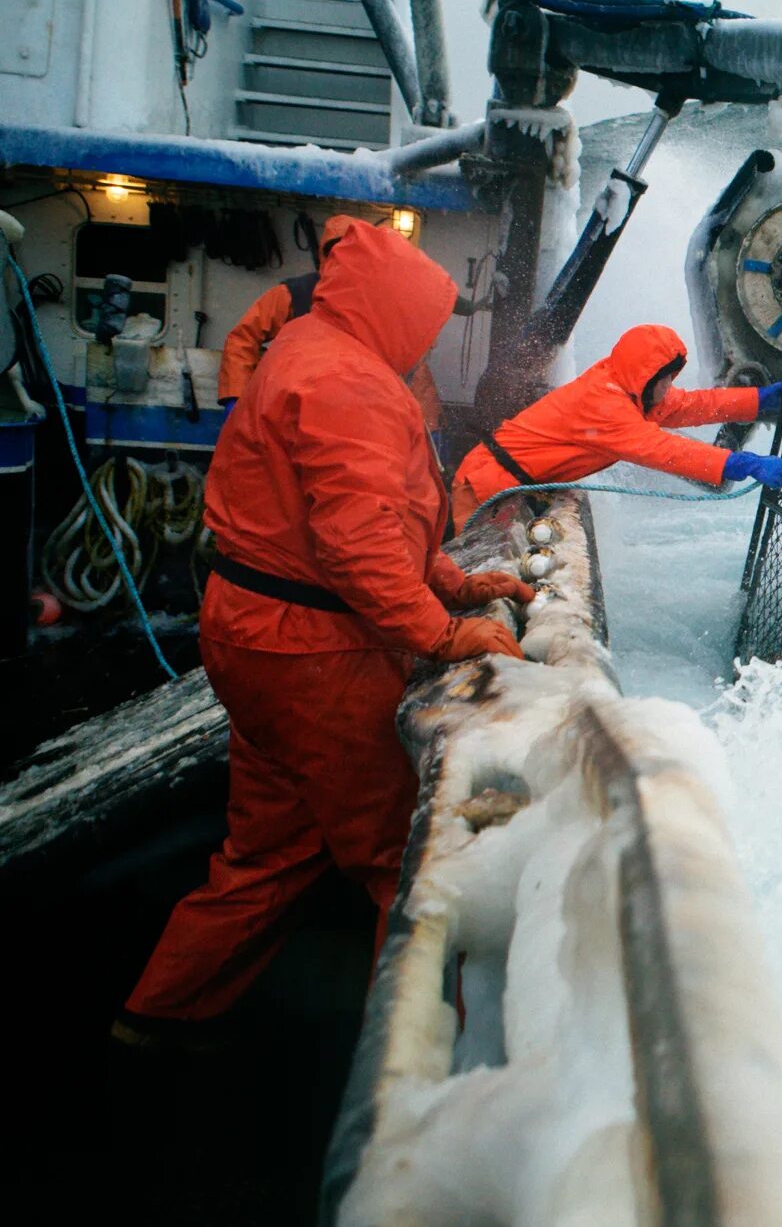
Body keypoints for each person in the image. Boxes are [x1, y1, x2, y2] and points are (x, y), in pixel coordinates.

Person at [114, 221, 532, 1045]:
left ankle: (151, 1019)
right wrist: (446, 634)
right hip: (314, 657)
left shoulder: (308, 350)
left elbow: (364, 522)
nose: (428, 338)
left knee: (267, 848)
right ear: (397, 310)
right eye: (426, 320)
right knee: (405, 860)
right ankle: (408, 1070)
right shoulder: (353, 385)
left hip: (252, 637)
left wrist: (458, 582)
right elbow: (361, 547)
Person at [448, 323, 782, 528]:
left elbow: (693, 404)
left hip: (507, 485)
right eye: (667, 379)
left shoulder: (629, 387)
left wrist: (757, 400)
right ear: (647, 376)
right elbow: (662, 450)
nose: (670, 388)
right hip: (485, 488)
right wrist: (739, 464)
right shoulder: (607, 404)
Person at [217, 212, 476, 436]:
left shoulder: (378, 298)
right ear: (325, 255)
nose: (343, 257)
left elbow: (412, 368)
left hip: (359, 417)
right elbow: (243, 338)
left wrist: (427, 429)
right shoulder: (292, 294)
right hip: (293, 413)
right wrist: (236, 396)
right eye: (336, 250)